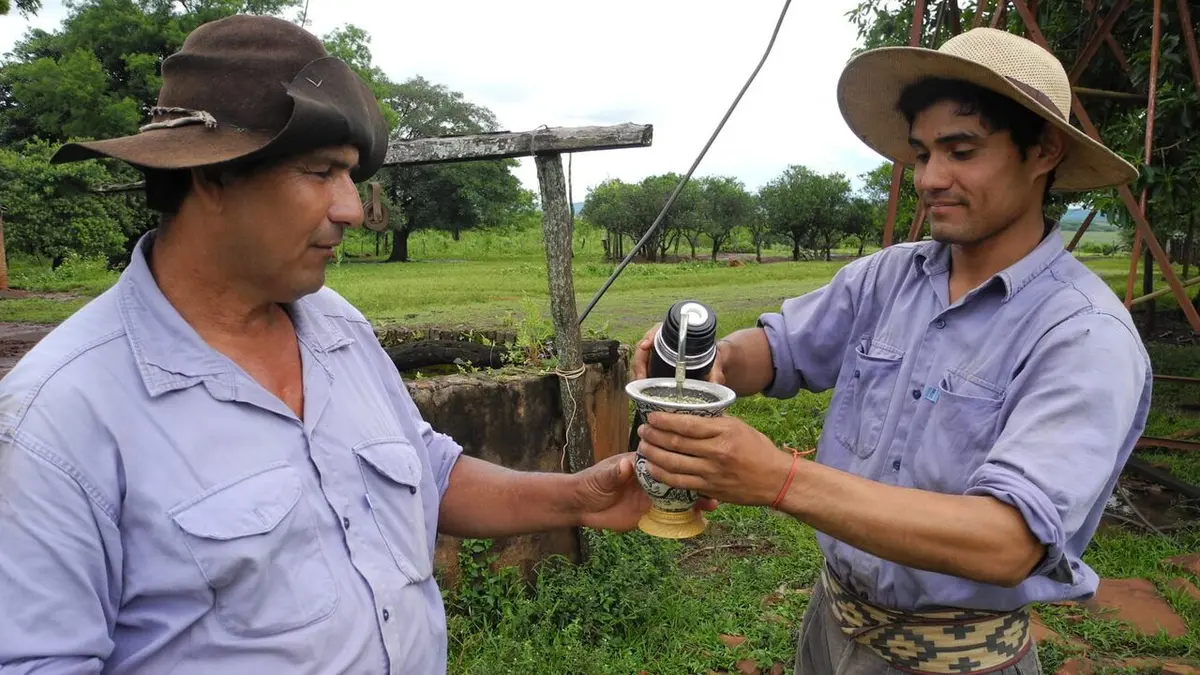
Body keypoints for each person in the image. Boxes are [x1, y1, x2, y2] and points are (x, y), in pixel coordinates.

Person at [0, 14, 694, 675]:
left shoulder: (334, 325)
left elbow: (428, 471)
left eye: (351, 176)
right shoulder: (57, 420)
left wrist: (577, 497)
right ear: (209, 173)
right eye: (320, 171)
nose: (353, 209)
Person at [632, 27, 1151, 675]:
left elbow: (1005, 542)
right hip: (831, 626)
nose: (931, 178)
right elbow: (781, 347)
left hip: (961, 660)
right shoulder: (889, 277)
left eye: (961, 150)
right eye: (922, 153)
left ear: (1042, 151)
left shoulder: (1082, 333)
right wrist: (709, 361)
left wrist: (779, 478)